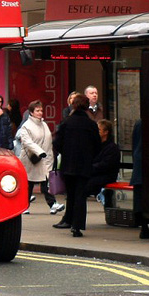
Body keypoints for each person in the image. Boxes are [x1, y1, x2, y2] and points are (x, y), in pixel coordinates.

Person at [53, 93, 101, 237]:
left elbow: (56, 142)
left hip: (68, 164)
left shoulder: (67, 122)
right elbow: (97, 145)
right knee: (81, 195)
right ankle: (77, 225)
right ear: (86, 107)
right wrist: (90, 157)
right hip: (84, 164)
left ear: (74, 105)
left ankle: (68, 219)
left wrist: (66, 153)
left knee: (71, 194)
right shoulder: (91, 124)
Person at [16, 100, 65, 215]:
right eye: (37, 110)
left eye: (41, 110)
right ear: (31, 112)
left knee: (46, 182)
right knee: (29, 184)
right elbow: (27, 142)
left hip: (44, 159)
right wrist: (40, 152)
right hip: (31, 160)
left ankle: (52, 204)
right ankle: (25, 206)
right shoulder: (26, 126)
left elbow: (48, 141)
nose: (40, 112)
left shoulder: (44, 124)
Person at [85, 119, 121, 198]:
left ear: (106, 132)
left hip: (107, 176)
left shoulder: (112, 148)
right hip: (95, 173)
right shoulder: (95, 145)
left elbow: (106, 165)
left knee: (86, 184)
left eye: (98, 130)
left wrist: (90, 168)